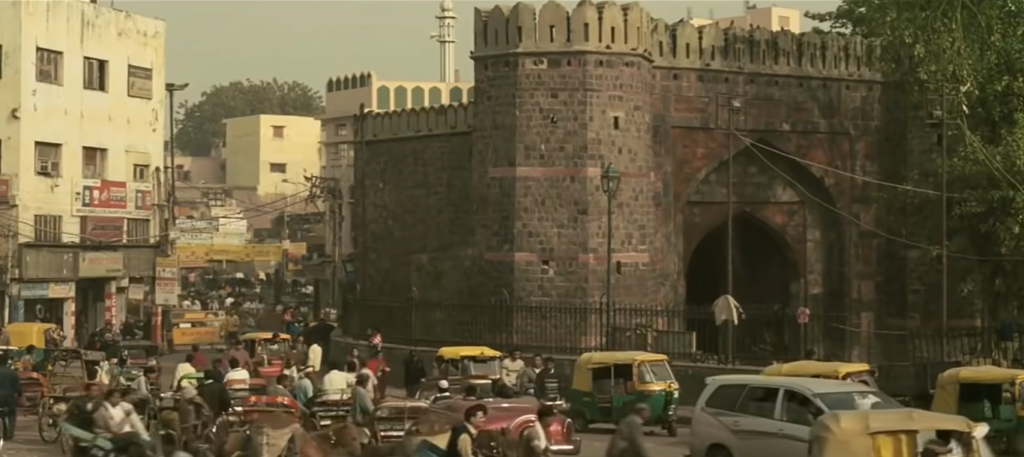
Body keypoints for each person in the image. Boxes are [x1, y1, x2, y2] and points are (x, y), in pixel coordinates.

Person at [92, 389, 150, 453]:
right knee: (133, 435)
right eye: (118, 398)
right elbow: (115, 430)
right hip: (108, 437)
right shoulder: (104, 411)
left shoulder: (112, 408)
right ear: (111, 398)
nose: (119, 400)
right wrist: (126, 417)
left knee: (133, 447)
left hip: (113, 435)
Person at [350, 372, 376, 443]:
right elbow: (370, 409)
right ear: (365, 382)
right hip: (358, 421)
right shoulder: (361, 392)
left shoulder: (353, 389)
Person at [0, 353, 21, 440]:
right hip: (9, 398)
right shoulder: (12, 373)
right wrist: (20, 395)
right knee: (11, 414)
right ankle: (10, 433)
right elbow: (17, 387)